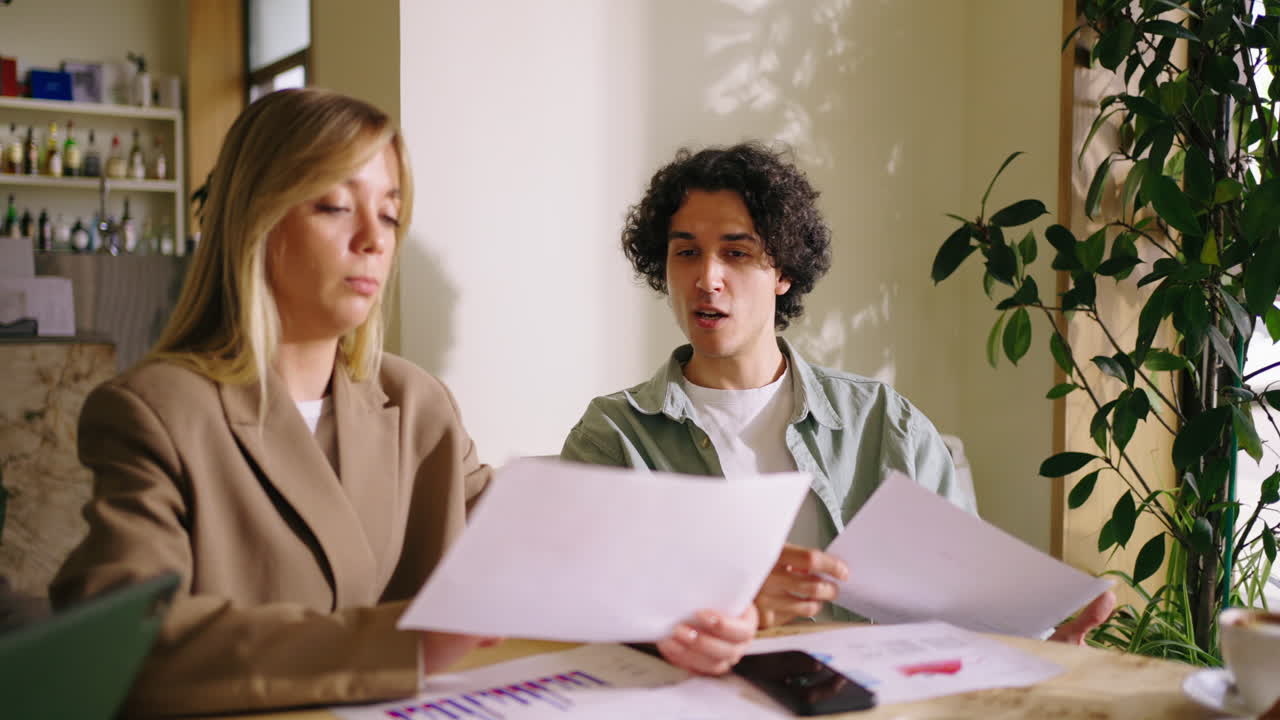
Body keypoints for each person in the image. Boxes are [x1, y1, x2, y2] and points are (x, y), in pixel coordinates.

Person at [49, 89, 752, 718]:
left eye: (389, 215)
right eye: (334, 206)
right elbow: (121, 645)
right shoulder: (155, 412)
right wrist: (403, 642)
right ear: (256, 221)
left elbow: (536, 556)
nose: (372, 240)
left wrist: (681, 603)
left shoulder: (417, 404)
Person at [560, 142, 1115, 641]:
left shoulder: (884, 423)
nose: (707, 278)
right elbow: (585, 620)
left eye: (736, 252)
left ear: (783, 271)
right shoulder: (614, 435)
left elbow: (966, 614)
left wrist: (1035, 654)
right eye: (686, 252)